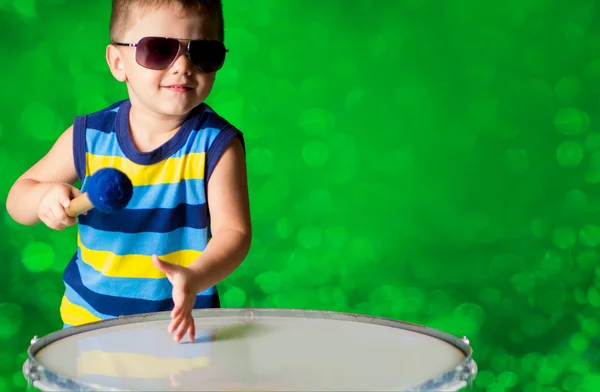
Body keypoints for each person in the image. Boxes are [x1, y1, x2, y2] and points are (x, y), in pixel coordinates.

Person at [5, 0, 251, 344]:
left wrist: (195, 276)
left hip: (179, 332)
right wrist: (43, 198)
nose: (182, 66)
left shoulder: (216, 145)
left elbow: (235, 233)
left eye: (203, 52)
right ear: (118, 62)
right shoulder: (89, 136)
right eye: (159, 49)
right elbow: (17, 199)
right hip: (88, 329)